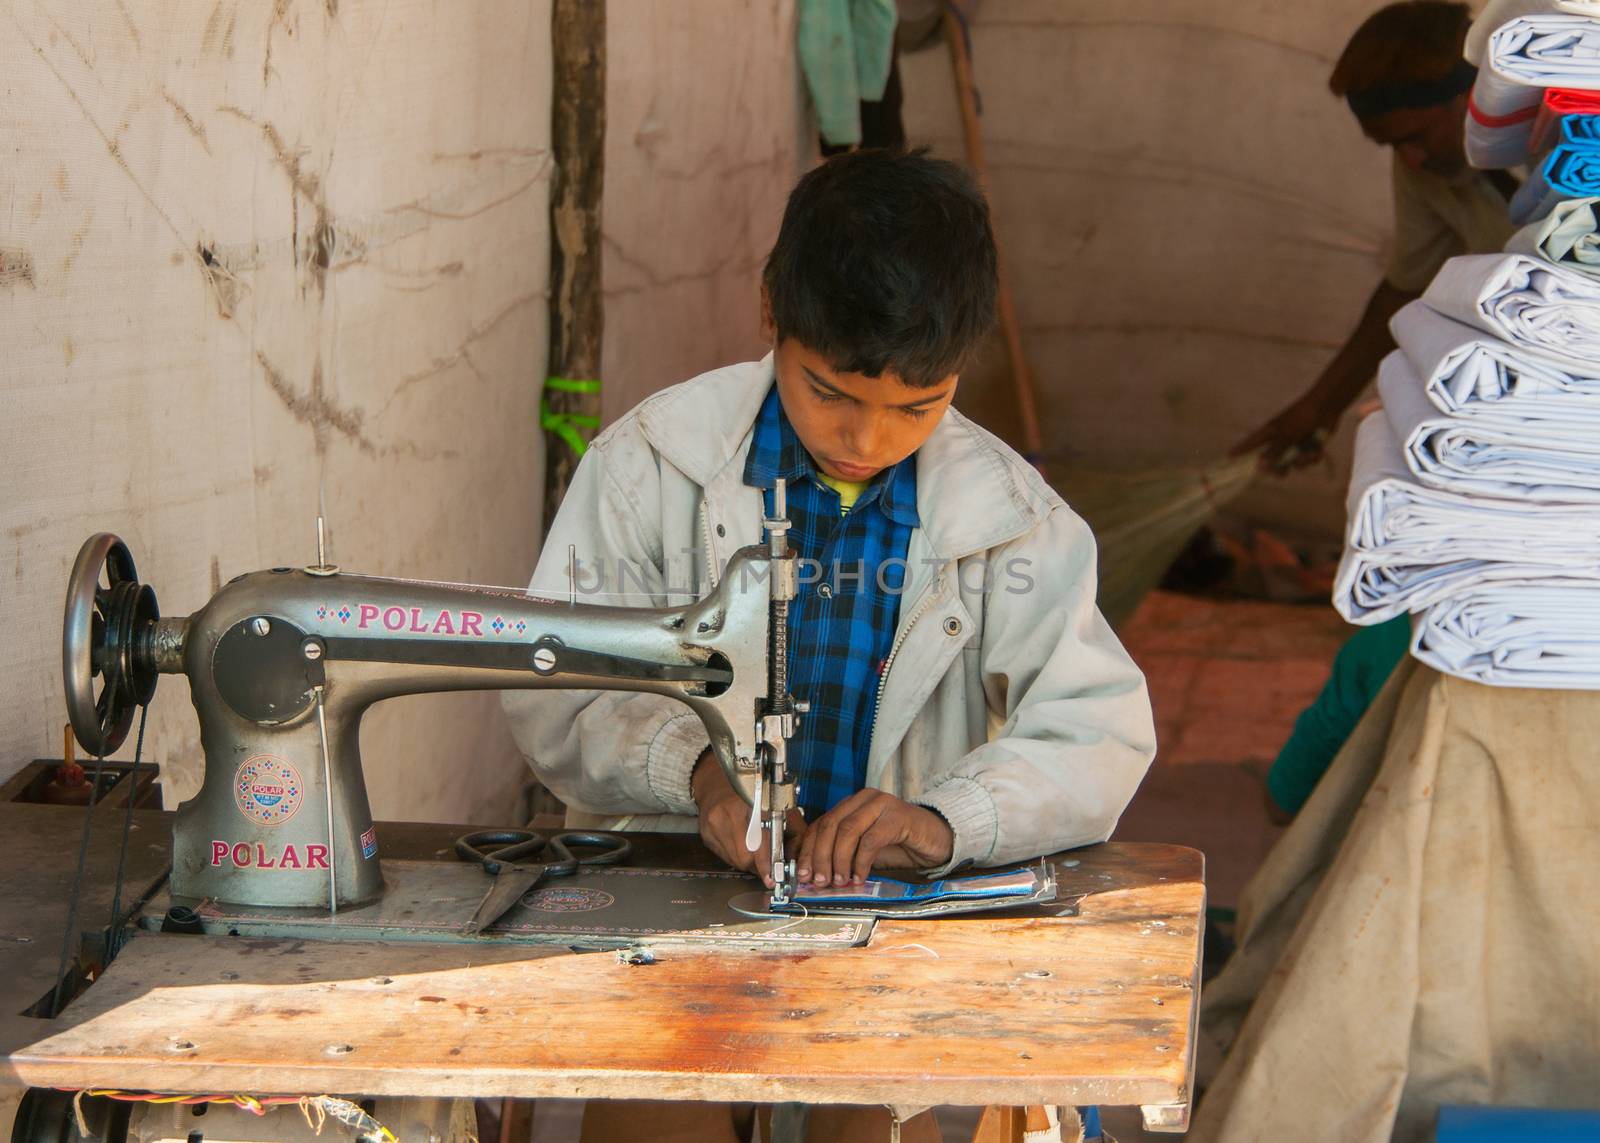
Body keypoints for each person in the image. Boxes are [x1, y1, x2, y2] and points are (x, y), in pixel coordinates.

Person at [503, 149, 1156, 1143]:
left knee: (882, 1114)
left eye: (916, 406)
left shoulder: (1013, 520)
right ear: (772, 313)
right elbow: (557, 688)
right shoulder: (651, 464)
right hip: (679, 892)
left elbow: (1096, 734)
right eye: (832, 393)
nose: (866, 438)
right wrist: (697, 778)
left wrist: (941, 819)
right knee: (659, 1109)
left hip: (891, 918)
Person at [1234, 1, 1518, 472]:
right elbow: (1404, 288)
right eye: (1393, 146)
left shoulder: (1572, 145)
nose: (1411, 161)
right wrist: (1321, 406)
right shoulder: (1428, 165)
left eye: (1417, 137)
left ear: (1473, 94)